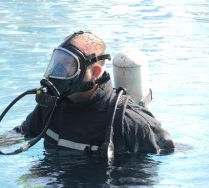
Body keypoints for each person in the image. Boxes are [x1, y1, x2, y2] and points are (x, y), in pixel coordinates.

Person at [13, 31, 174, 157]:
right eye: (57, 63)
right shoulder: (51, 107)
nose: (58, 72)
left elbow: (160, 159)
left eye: (68, 65)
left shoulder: (129, 123)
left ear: (95, 72)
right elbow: (21, 133)